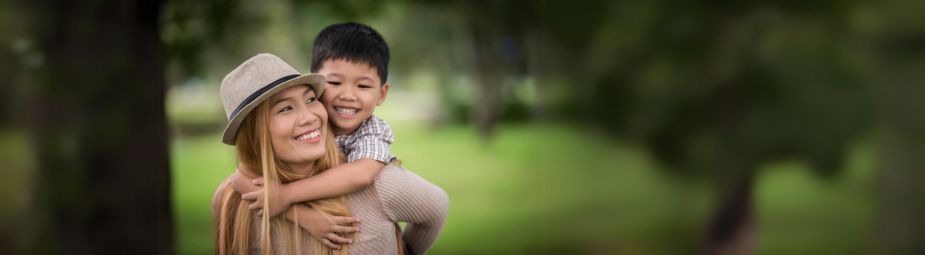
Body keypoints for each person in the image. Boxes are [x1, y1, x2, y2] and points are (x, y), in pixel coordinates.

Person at [212, 53, 448, 255]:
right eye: (285, 108)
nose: (310, 117)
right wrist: (299, 214)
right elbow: (239, 179)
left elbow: (437, 209)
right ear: (254, 135)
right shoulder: (232, 200)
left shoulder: (380, 184)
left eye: (311, 99)